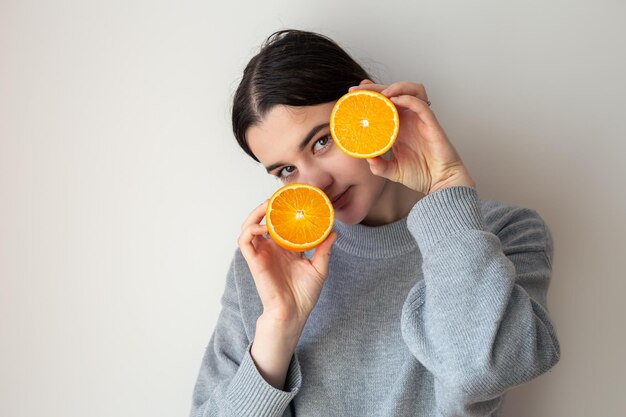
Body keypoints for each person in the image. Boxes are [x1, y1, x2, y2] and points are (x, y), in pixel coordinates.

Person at [189, 29, 560, 417]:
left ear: (366, 111)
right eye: (286, 169)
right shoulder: (269, 264)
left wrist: (445, 184)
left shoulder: (503, 232)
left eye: (321, 141)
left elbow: (481, 370)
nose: (315, 183)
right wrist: (280, 326)